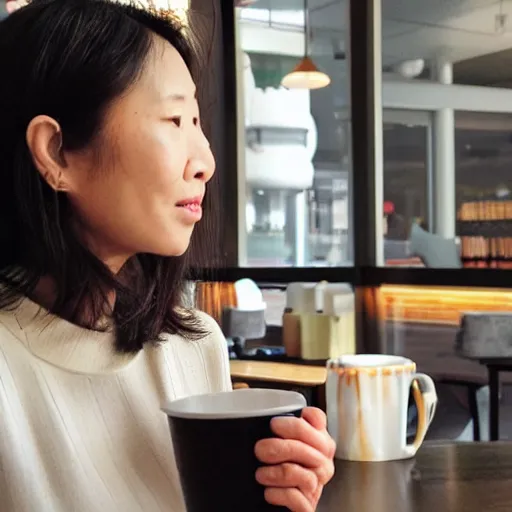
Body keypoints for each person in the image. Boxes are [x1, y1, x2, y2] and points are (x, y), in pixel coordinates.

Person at [0, 1, 335, 511]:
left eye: (196, 121)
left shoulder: (193, 347)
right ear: (57, 151)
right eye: (175, 119)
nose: (205, 161)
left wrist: (282, 492)